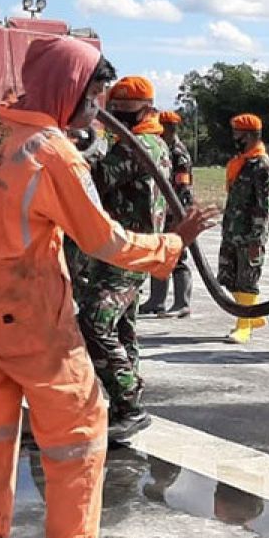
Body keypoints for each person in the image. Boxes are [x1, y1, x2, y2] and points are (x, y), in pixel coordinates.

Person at [0, 36, 217, 538]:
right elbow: (103, 240)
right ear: (70, 89)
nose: (99, 104)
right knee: (79, 430)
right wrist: (174, 242)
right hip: (31, 315)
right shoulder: (52, 153)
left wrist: (78, 132)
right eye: (94, 91)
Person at [76, 76, 171, 440]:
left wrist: (80, 150)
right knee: (122, 327)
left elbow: (96, 180)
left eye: (123, 113)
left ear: (145, 109)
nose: (117, 119)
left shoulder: (137, 145)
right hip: (132, 248)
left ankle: (130, 405)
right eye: (113, 113)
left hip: (127, 250)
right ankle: (121, 404)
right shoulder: (154, 142)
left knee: (94, 322)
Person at [220, 113, 269, 344]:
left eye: (238, 134)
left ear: (251, 135)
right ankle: (255, 314)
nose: (235, 138)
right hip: (233, 231)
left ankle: (244, 326)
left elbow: (266, 207)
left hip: (249, 236)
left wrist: (258, 239)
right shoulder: (242, 162)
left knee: (247, 280)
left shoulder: (262, 166)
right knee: (227, 277)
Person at [139, 109, 195, 318]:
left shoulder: (179, 154)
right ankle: (156, 301)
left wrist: (179, 218)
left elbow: (183, 189)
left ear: (170, 128)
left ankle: (182, 303)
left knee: (178, 257)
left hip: (176, 212)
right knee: (160, 254)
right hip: (162, 211)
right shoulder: (163, 148)